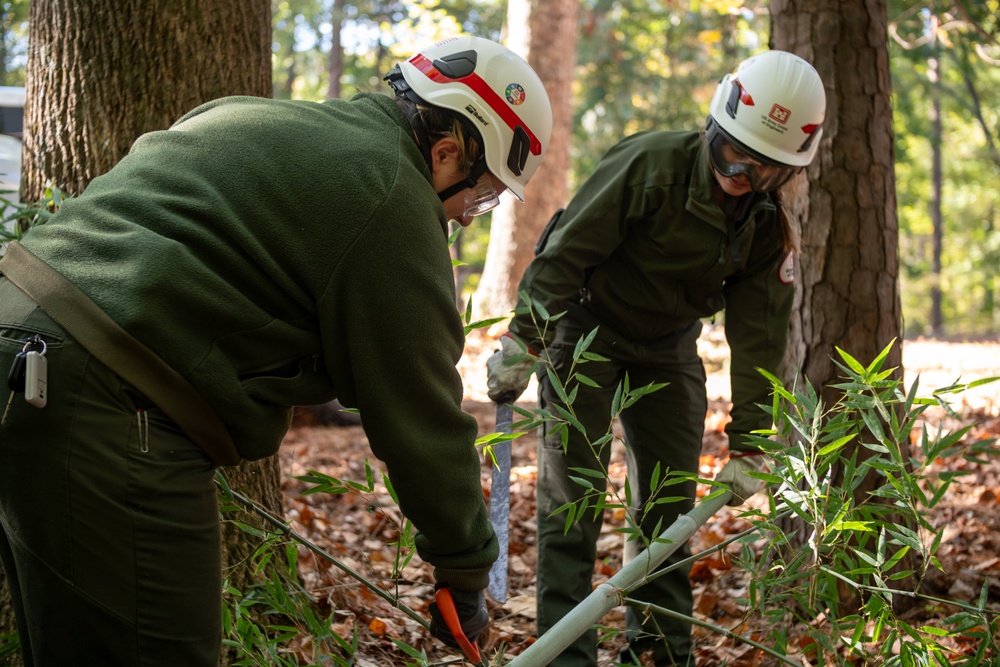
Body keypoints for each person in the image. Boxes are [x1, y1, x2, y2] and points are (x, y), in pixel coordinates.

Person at [0, 35, 551, 666]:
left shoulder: (259, 116)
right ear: (449, 151)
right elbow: (420, 414)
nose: (468, 218)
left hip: (20, 335)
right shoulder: (392, 196)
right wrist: (467, 568)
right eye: (479, 195)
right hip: (106, 396)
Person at [487, 50, 825, 666]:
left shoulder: (767, 227)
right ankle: (564, 657)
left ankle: (659, 651)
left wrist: (751, 443)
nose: (737, 178)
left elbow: (759, 340)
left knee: (667, 507)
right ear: (714, 131)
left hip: (668, 347)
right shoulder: (651, 164)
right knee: (574, 502)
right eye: (730, 157)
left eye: (760, 172)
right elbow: (565, 251)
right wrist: (525, 338)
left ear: (786, 173)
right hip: (586, 330)